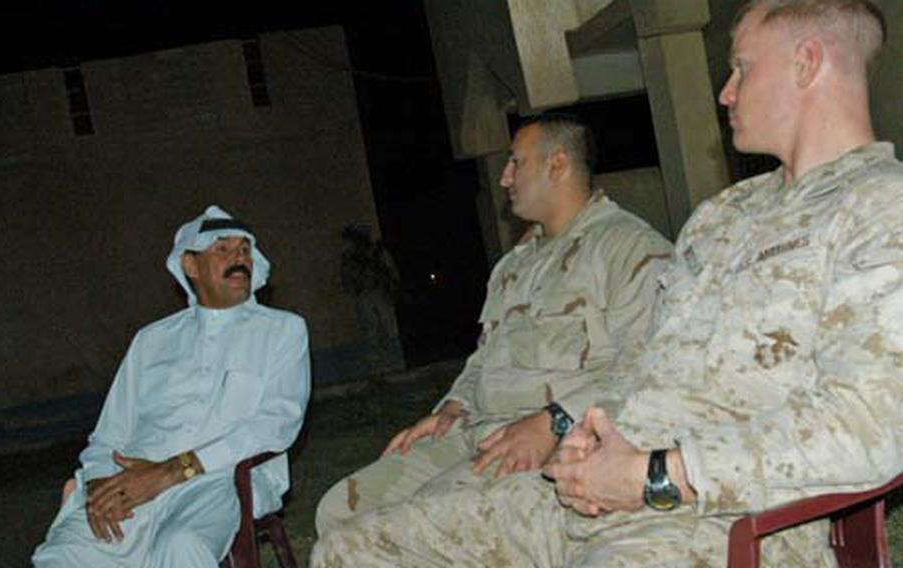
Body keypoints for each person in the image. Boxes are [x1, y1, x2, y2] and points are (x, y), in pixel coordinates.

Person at [310, 1, 903, 566]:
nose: (725, 90)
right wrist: (580, 435)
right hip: (588, 498)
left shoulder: (880, 208)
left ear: (807, 63)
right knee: (351, 549)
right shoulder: (721, 219)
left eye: (742, 68)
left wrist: (655, 474)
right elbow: (641, 364)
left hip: (723, 521)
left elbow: (873, 426)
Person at [314, 113, 673, 534]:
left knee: (418, 526)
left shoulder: (628, 249)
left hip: (560, 440)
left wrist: (553, 421)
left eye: (516, 162)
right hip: (480, 431)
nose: (504, 178)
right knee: (339, 511)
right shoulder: (514, 265)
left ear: (557, 165)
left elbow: (649, 366)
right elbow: (486, 357)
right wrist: (452, 407)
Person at [33, 205, 311, 567]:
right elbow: (110, 433)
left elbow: (277, 422)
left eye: (244, 249)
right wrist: (100, 485)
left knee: (182, 545)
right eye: (222, 249)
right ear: (190, 265)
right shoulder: (152, 340)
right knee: (64, 553)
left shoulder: (282, 330)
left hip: (219, 481)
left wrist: (172, 471)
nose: (238, 258)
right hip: (134, 481)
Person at [339, 222, 404, 372]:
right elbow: (347, 277)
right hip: (364, 294)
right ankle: (379, 365)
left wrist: (392, 287)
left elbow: (391, 271)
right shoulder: (351, 256)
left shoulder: (376, 251)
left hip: (380, 292)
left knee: (389, 326)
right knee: (371, 329)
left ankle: (396, 362)